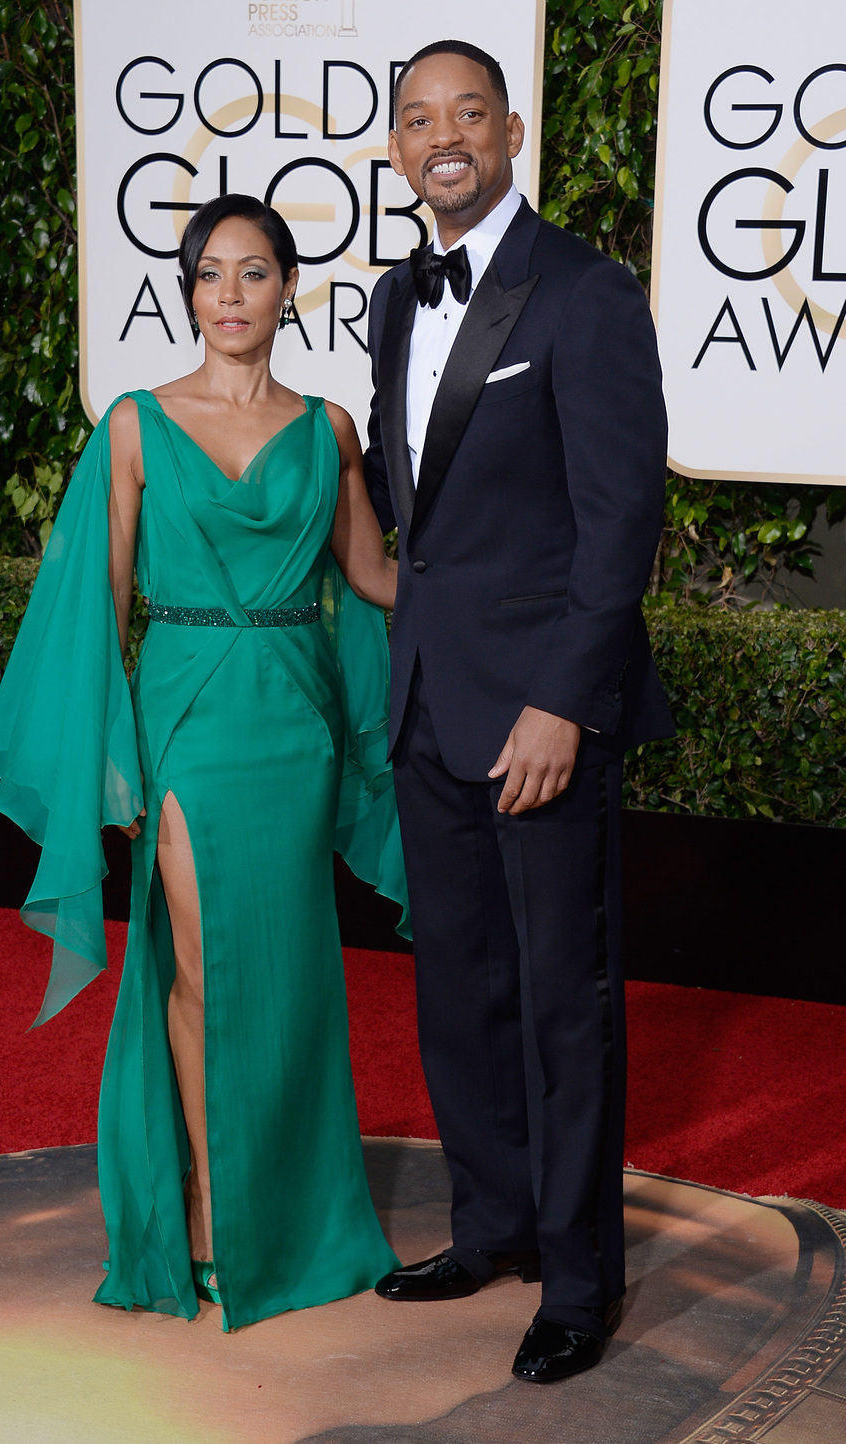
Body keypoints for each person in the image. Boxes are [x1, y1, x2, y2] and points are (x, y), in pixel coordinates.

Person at [0, 193, 409, 1330]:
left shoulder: (330, 429)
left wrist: (523, 593)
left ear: (287, 289)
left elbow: (372, 577)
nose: (230, 295)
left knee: (294, 969)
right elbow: (97, 605)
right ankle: (214, 1211)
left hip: (295, 722)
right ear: (187, 291)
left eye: (254, 273)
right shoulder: (133, 423)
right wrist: (109, 761)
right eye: (211, 274)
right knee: (204, 964)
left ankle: (298, 1214)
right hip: (187, 719)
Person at [363, 41, 673, 1382]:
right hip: (428, 703)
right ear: (395, 148)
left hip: (540, 719)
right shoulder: (389, 296)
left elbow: (622, 523)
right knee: (460, 989)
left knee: (562, 999)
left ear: (512, 130)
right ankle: (490, 1224)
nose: (445, 138)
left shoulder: (588, 295)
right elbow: (413, 527)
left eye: (468, 114)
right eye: (420, 119)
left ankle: (582, 1278)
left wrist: (562, 703)